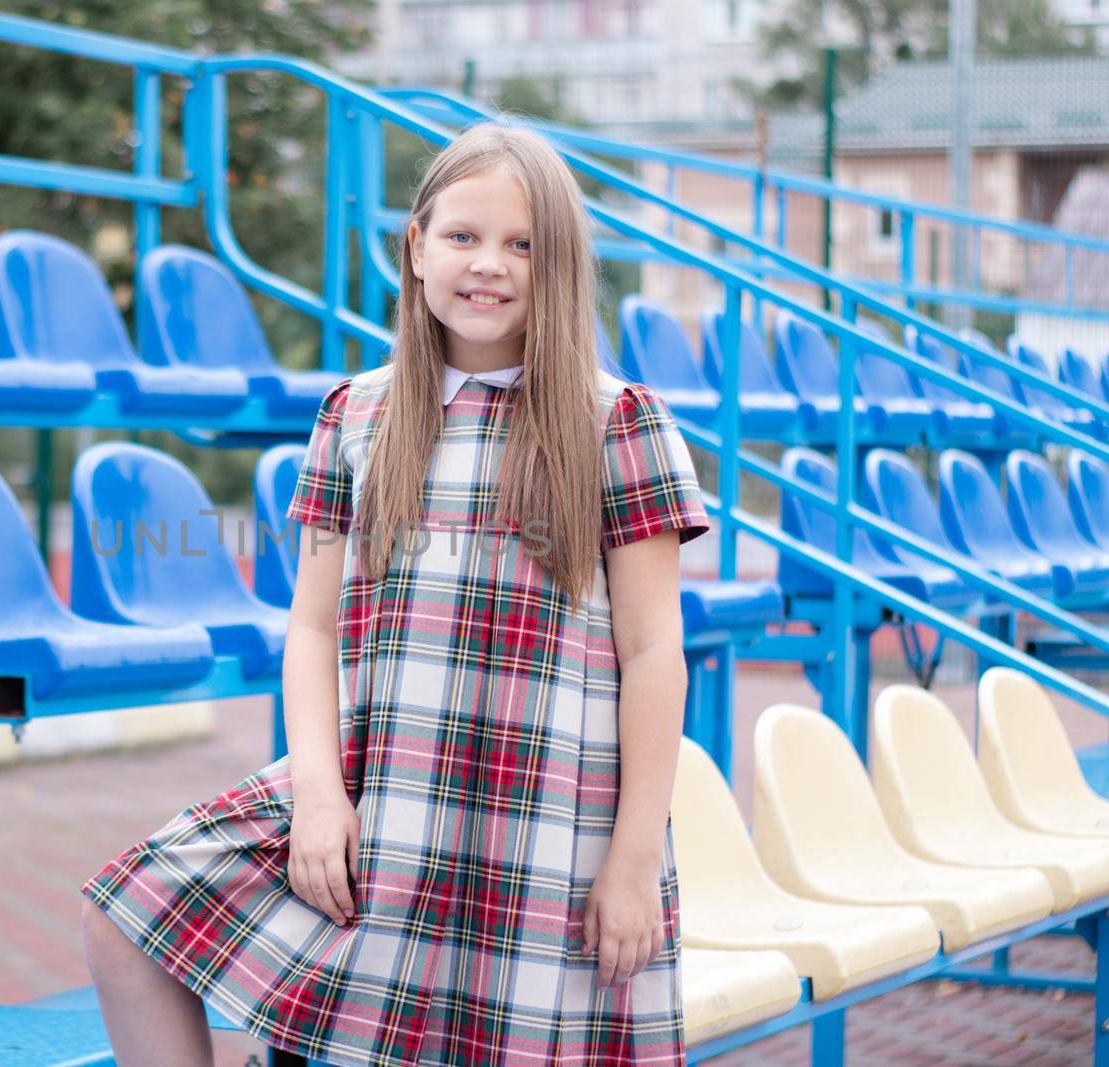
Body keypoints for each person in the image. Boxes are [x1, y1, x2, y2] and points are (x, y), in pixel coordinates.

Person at [80, 118, 709, 1067]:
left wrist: (631, 856)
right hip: (385, 797)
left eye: (524, 243)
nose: (489, 264)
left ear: (563, 266)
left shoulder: (618, 423)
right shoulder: (358, 414)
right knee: (126, 916)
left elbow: (654, 652)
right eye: (463, 236)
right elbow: (311, 622)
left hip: (546, 821)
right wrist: (323, 797)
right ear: (416, 248)